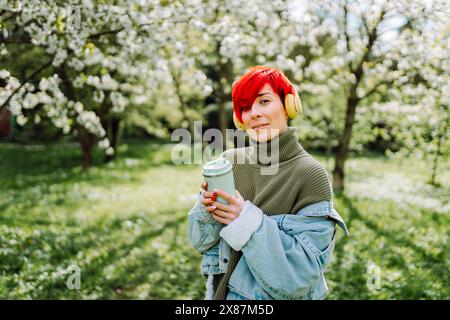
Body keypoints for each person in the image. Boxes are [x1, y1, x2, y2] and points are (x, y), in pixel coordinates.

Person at [188, 66, 349, 300]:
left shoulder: (310, 174)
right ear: (238, 118)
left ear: (289, 104)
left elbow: (298, 277)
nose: (253, 113)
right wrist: (206, 209)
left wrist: (243, 220)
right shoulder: (228, 162)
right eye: (245, 107)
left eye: (264, 101)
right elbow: (200, 242)